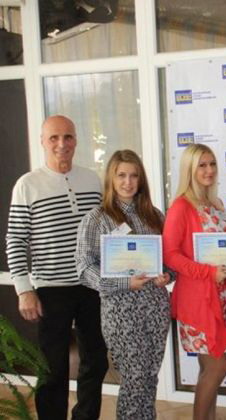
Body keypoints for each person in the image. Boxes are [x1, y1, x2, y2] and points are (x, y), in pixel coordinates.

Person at [5, 115, 108, 419]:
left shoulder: (93, 180)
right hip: (51, 290)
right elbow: (16, 239)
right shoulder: (27, 185)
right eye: (54, 137)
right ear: (42, 141)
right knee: (53, 368)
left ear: (76, 140)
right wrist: (24, 290)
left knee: (96, 361)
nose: (62, 144)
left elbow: (106, 230)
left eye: (68, 137)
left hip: (91, 286)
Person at [75, 150, 172, 420]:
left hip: (155, 307)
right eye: (121, 175)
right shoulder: (96, 218)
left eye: (133, 176)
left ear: (141, 180)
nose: (128, 182)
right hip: (120, 311)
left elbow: (169, 260)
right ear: (111, 178)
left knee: (149, 376)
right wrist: (124, 282)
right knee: (134, 378)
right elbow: (84, 268)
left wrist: (166, 275)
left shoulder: (155, 216)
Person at [163, 143, 226, 420]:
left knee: (210, 368)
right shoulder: (181, 206)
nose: (208, 170)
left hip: (220, 296)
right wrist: (208, 273)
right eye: (201, 165)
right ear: (190, 170)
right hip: (197, 299)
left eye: (212, 164)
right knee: (218, 367)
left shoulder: (216, 204)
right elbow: (170, 255)